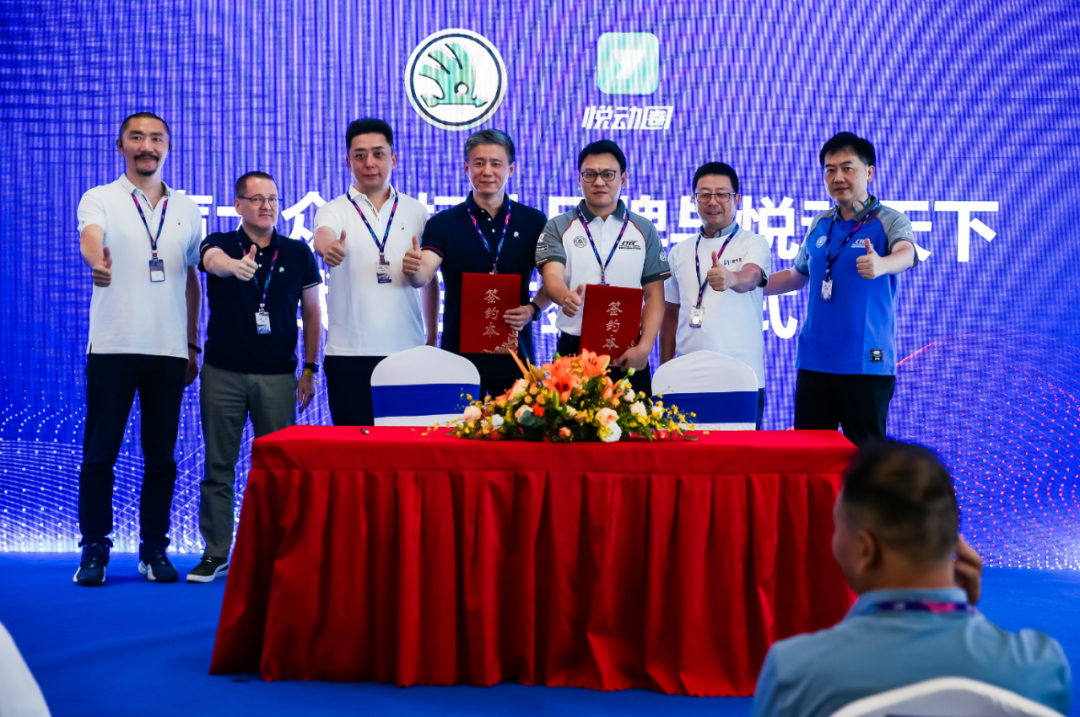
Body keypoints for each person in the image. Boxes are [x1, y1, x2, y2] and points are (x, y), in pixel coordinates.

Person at [752, 441, 1072, 717]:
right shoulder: (1041, 665)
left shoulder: (794, 673)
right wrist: (969, 612)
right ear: (952, 540)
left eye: (838, 528)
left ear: (865, 549)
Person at [74, 112, 203, 586]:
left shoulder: (186, 207)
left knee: (162, 457)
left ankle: (154, 548)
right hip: (113, 346)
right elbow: (91, 238)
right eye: (137, 137)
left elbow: (191, 277)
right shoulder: (100, 197)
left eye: (156, 138)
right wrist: (97, 262)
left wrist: (192, 342)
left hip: (168, 350)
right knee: (99, 455)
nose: (146, 145)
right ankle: (94, 548)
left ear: (167, 146)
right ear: (121, 145)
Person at [187, 171, 322, 583]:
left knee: (280, 469)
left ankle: (279, 550)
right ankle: (216, 553)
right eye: (257, 199)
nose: (267, 206)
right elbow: (211, 262)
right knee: (218, 467)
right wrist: (234, 266)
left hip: (278, 376)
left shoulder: (297, 252)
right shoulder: (220, 243)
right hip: (223, 373)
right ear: (238, 205)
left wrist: (310, 369)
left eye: (273, 199)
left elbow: (312, 311)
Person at [765, 133, 917, 445]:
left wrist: (882, 264)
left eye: (847, 168)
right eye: (830, 170)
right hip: (815, 361)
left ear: (869, 172)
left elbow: (907, 253)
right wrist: (744, 283)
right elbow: (797, 275)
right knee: (809, 457)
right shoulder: (820, 223)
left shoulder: (889, 220)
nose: (837, 178)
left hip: (866, 363)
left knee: (866, 460)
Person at [404, 129, 550, 397]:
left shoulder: (534, 221)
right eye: (479, 163)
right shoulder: (444, 223)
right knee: (458, 424)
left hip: (516, 357)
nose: (487, 171)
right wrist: (413, 270)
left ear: (511, 169)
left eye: (496, 163)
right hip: (459, 358)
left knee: (519, 423)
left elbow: (554, 280)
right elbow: (423, 274)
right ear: (466, 168)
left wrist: (533, 310)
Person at [312, 118, 436, 426]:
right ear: (348, 162)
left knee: (406, 444)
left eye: (378, 154)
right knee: (354, 445)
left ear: (393, 159)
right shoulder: (333, 209)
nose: (369, 163)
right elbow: (323, 236)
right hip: (348, 354)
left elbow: (430, 278)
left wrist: (432, 336)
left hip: (407, 349)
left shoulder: (417, 211)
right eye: (360, 155)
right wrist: (329, 249)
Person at [536, 139, 670, 395]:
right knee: (568, 420)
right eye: (590, 174)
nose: (599, 182)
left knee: (634, 420)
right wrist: (564, 296)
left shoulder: (644, 229)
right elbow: (551, 276)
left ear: (623, 178)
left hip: (628, 348)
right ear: (579, 179)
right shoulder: (558, 226)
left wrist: (644, 348)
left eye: (608, 174)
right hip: (574, 348)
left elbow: (655, 295)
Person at [660, 162, 771, 428]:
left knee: (740, 453)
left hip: (742, 378)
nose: (713, 202)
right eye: (704, 195)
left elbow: (752, 276)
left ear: (737, 199)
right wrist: (665, 370)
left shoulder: (752, 242)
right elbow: (670, 315)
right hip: (686, 377)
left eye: (722, 194)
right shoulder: (679, 251)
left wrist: (731, 278)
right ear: (693, 199)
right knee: (684, 452)